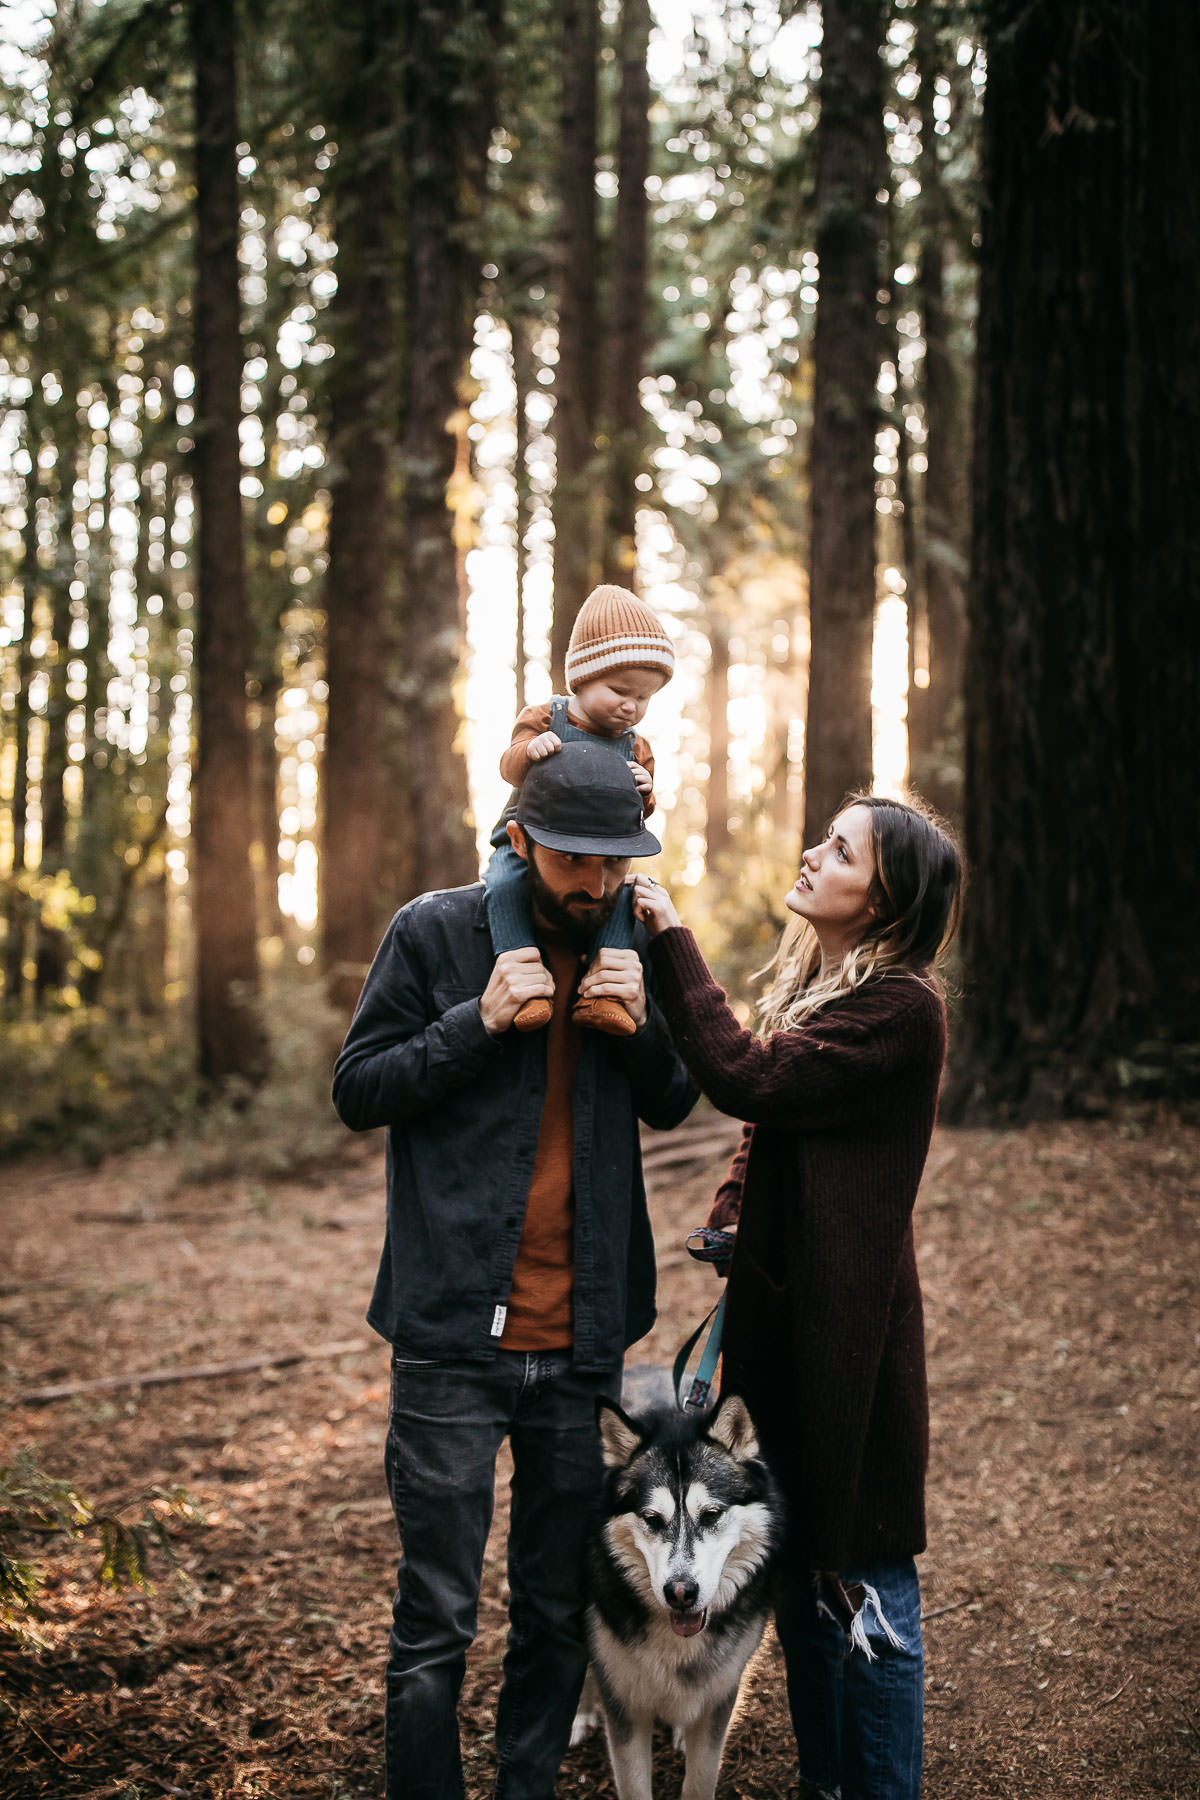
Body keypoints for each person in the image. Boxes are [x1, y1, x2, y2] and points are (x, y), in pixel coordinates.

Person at [331, 741, 697, 1800]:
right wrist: (475, 1022)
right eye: (574, 861)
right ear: (523, 841)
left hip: (584, 1343)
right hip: (449, 1340)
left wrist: (639, 1033)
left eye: (613, 863)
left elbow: (676, 1098)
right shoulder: (436, 932)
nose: (595, 883)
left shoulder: (636, 936)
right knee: (437, 1612)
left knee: (551, 1606)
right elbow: (359, 1088)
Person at [632, 794, 963, 1800]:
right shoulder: (824, 987)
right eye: (824, 838)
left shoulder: (903, 1008)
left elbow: (745, 1077)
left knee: (862, 1566)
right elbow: (770, 1129)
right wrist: (736, 1209)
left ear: (886, 895)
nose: (814, 855)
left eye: (842, 849)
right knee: (797, 1562)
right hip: (784, 1328)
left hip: (848, 1344)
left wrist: (669, 934)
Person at [486, 583, 675, 1038]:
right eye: (620, 690)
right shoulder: (547, 717)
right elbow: (508, 767)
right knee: (504, 882)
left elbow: (636, 817)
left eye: (645, 698)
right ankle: (523, 978)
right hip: (530, 833)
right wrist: (531, 750)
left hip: (605, 841)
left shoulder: (637, 746)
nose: (632, 706)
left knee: (619, 894)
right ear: (583, 677)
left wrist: (646, 791)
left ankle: (606, 992)